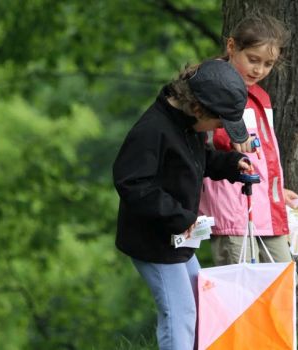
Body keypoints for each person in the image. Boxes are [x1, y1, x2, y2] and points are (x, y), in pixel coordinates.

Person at [113, 60, 251, 350]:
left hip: (180, 236)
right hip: (155, 242)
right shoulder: (152, 130)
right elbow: (132, 183)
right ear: (198, 109)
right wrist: (179, 217)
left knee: (200, 303)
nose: (219, 129)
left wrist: (230, 164)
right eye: (219, 123)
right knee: (180, 313)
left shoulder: (189, 125)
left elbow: (198, 160)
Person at [198, 14, 298, 266]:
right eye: (253, 60)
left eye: (268, 64)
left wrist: (273, 189)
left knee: (284, 281)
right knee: (243, 288)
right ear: (232, 47)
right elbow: (220, 147)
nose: (259, 70)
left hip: (267, 208)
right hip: (233, 211)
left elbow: (262, 156)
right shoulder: (212, 88)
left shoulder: (261, 96)